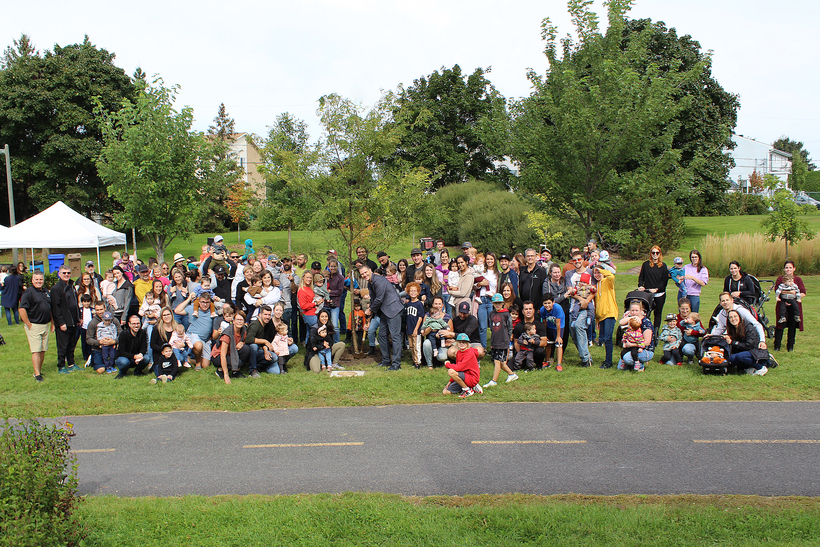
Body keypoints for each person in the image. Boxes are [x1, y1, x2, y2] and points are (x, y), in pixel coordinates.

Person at [359, 263, 404, 370]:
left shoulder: (378, 280)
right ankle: (386, 361)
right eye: (362, 274)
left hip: (393, 309)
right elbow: (374, 300)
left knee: (395, 336)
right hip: (384, 311)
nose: (364, 275)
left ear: (370, 270)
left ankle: (396, 363)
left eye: (365, 272)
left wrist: (370, 309)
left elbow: (379, 298)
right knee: (382, 335)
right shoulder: (370, 283)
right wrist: (371, 315)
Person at [19, 271, 53, 382]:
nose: (39, 281)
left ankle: (39, 369)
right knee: (36, 351)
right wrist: (29, 324)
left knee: (43, 350)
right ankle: (37, 374)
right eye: (36, 279)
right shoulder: (28, 292)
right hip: (34, 325)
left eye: (41, 279)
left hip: (45, 325)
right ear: (32, 280)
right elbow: (22, 309)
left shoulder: (46, 291)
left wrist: (52, 323)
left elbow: (50, 308)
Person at [51, 265, 81, 373]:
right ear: (59, 274)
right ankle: (61, 366)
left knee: (72, 344)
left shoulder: (72, 286)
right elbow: (55, 307)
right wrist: (61, 322)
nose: (66, 275)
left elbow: (75, 303)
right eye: (64, 273)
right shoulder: (56, 288)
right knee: (63, 345)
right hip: (64, 322)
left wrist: (78, 318)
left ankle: (71, 364)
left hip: (73, 321)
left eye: (68, 273)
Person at [483, 293, 517, 387]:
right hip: (495, 341)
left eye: (499, 303)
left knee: (497, 361)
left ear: (502, 303)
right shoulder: (492, 313)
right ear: (493, 303)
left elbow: (510, 327)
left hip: (503, 341)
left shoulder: (506, 314)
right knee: (501, 362)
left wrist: (508, 338)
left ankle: (494, 381)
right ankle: (512, 374)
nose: (497, 305)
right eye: (495, 303)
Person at [723, 309, 769, 376]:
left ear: (740, 317)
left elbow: (749, 345)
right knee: (731, 358)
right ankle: (749, 367)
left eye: (735, 316)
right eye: (731, 317)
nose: (733, 319)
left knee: (740, 357)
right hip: (745, 351)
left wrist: (733, 342)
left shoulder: (748, 327)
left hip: (756, 350)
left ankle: (760, 368)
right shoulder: (732, 329)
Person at [773, 260, 806, 352]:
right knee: (780, 324)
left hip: (794, 304)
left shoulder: (798, 280)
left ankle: (790, 345)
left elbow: (803, 292)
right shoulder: (780, 279)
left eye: (790, 267)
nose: (788, 269)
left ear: (794, 269)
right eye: (786, 267)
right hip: (782, 304)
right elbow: (778, 290)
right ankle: (777, 345)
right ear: (784, 269)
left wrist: (794, 298)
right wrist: (790, 293)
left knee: (792, 325)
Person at [637, 245, 669, 332]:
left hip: (659, 294)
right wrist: (640, 286)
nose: (655, 254)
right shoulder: (646, 265)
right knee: (645, 312)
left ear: (660, 254)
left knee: (657, 313)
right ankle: (644, 329)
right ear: (651, 254)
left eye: (657, 253)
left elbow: (664, 281)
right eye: (653, 252)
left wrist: (657, 289)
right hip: (647, 293)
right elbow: (641, 277)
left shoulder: (663, 266)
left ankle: (655, 331)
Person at [616, 300, 655, 372]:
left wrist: (630, 344)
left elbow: (647, 342)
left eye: (637, 310)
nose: (634, 313)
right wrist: (631, 318)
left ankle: (641, 365)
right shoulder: (632, 320)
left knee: (627, 358)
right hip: (632, 347)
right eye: (632, 310)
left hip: (644, 349)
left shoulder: (646, 322)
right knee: (620, 366)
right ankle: (632, 364)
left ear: (641, 310)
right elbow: (621, 322)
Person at [213, 310, 251, 383]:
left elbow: (245, 340)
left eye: (241, 320)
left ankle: (235, 372)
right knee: (238, 362)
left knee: (246, 349)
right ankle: (220, 371)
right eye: (237, 320)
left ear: (244, 322)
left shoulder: (243, 330)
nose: (239, 322)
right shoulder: (227, 335)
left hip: (231, 353)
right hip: (218, 355)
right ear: (233, 321)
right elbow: (223, 355)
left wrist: (242, 343)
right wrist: (226, 375)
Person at [442, 333, 482, 399]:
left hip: (471, 377)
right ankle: (470, 387)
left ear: (467, 344)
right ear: (457, 344)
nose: (462, 344)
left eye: (464, 342)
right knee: (445, 392)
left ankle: (468, 390)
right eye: (460, 342)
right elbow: (458, 370)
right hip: (463, 377)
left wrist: (447, 364)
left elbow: (459, 367)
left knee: (450, 371)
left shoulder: (470, 353)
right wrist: (449, 383)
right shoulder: (459, 353)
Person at [593, 266, 617, 369]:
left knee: (607, 338)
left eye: (599, 272)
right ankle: (607, 360)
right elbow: (597, 303)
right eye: (595, 273)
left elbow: (611, 276)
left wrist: (599, 268)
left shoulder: (607, 281)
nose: (597, 275)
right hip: (601, 316)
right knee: (603, 339)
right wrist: (597, 319)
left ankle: (608, 362)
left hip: (609, 313)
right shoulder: (596, 285)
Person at [511, 301, 548, 369]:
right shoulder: (518, 326)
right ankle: (524, 363)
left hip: (535, 351)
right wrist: (522, 353)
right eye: (526, 309)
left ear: (533, 311)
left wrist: (534, 343)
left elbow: (544, 342)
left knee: (540, 351)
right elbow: (516, 342)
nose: (528, 311)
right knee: (511, 365)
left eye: (530, 309)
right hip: (522, 351)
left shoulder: (540, 325)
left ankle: (538, 365)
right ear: (523, 311)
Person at [421, 296, 453, 367]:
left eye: (439, 304)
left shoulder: (447, 318)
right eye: (435, 304)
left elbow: (451, 334)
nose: (438, 306)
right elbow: (424, 334)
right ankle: (430, 364)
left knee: (442, 357)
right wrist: (432, 326)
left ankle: (442, 360)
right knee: (426, 343)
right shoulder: (427, 316)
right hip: (431, 341)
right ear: (432, 305)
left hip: (442, 342)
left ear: (442, 305)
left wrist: (442, 334)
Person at [475, 252, 499, 349]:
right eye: (488, 259)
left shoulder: (497, 274)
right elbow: (475, 285)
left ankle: (494, 347)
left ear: (494, 260)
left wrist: (495, 294)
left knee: (494, 326)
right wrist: (480, 284)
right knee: (482, 327)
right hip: (481, 300)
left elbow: (498, 288)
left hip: (491, 301)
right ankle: (483, 348)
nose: (489, 261)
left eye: (491, 259)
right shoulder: (481, 271)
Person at [114, 314, 149, 378]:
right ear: (129, 324)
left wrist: (140, 355)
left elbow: (144, 347)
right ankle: (122, 373)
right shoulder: (123, 334)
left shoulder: (143, 332)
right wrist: (134, 356)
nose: (136, 325)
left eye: (138, 323)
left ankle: (138, 372)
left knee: (146, 358)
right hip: (123, 357)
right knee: (124, 362)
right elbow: (121, 352)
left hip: (137, 357)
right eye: (133, 323)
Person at [540, 293, 565, 371]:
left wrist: (558, 336)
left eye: (549, 303)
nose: (547, 305)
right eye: (545, 303)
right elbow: (544, 322)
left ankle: (559, 364)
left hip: (558, 327)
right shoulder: (542, 310)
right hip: (549, 326)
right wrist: (545, 335)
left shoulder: (558, 308)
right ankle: (547, 361)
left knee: (559, 343)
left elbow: (558, 323)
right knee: (548, 344)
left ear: (553, 302)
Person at [677, 298, 705, 363]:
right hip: (679, 341)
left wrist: (693, 332)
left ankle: (692, 356)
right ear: (679, 308)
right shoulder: (676, 318)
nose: (685, 311)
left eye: (687, 308)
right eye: (682, 309)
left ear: (690, 307)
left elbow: (703, 332)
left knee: (688, 350)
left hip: (692, 341)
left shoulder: (694, 318)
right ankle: (679, 356)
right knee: (670, 362)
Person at [405, 282, 425, 368]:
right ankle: (414, 360)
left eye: (415, 291)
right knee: (411, 346)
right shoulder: (408, 303)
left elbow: (420, 317)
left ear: (418, 292)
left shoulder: (419, 304)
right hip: (409, 328)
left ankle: (418, 362)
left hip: (416, 329)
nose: (413, 293)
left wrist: (416, 329)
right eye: (411, 291)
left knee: (416, 346)